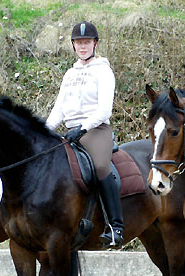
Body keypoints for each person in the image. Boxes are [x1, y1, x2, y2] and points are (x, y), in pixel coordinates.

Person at [45, 21, 123, 248]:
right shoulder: (70, 73)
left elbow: (104, 110)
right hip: (70, 131)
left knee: (100, 167)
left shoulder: (103, 71)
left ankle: (115, 226)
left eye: (86, 42)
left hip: (95, 129)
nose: (82, 46)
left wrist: (83, 128)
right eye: (79, 42)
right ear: (73, 45)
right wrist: (43, 131)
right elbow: (59, 109)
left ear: (95, 44)